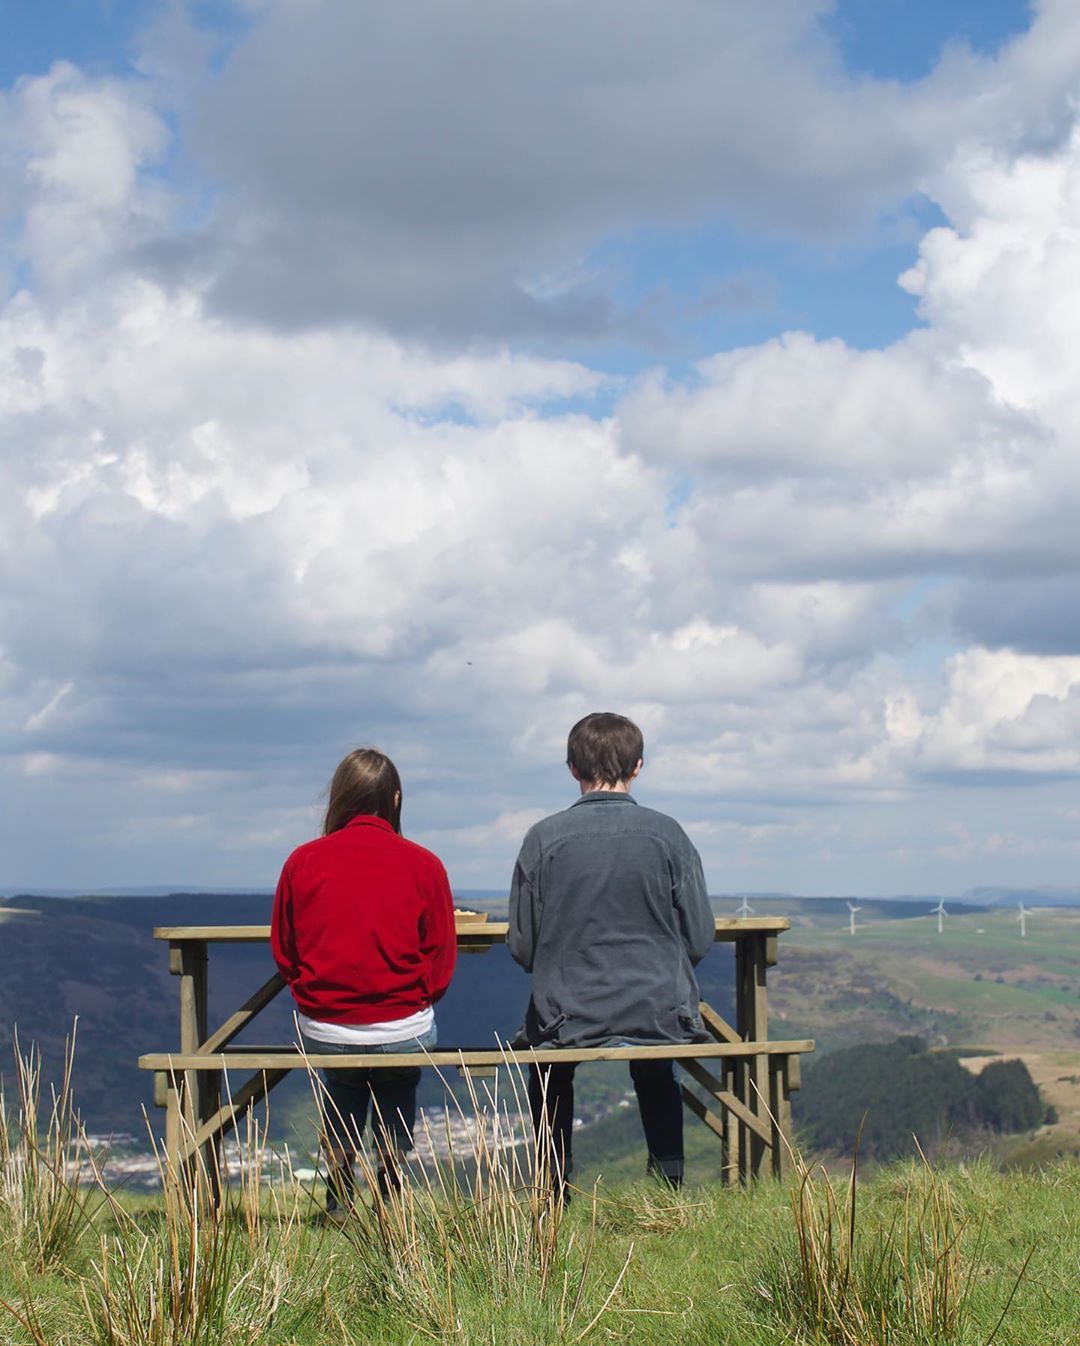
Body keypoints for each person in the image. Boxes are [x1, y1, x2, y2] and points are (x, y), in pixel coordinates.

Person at [508, 712, 714, 1194]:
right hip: (657, 1009)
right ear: (638, 766)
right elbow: (700, 936)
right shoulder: (669, 835)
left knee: (549, 1069)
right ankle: (669, 1181)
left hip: (568, 1012)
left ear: (571, 768)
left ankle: (553, 1187)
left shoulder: (543, 839)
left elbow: (522, 945)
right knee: (655, 1060)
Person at [271, 748, 456, 1208]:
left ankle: (338, 1190)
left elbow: (285, 951)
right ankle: (389, 1187)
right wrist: (414, 999)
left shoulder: (302, 862)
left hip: (327, 1026)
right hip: (404, 1026)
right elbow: (441, 954)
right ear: (395, 800)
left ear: (339, 799)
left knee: (344, 1081)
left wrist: (316, 997)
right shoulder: (424, 864)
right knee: (397, 1081)